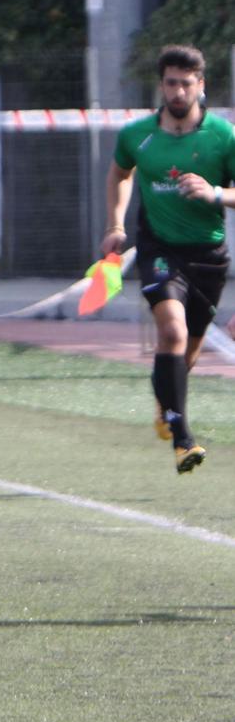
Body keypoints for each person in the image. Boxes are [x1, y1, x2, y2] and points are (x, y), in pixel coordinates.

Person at [104, 45, 235, 474]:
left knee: (189, 350)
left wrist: (215, 193)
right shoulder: (136, 134)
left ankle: (167, 405)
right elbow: (120, 173)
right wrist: (116, 224)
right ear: (161, 85)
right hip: (159, 250)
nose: (178, 90)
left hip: (209, 254)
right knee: (172, 331)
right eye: (170, 82)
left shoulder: (222, 136)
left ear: (201, 85)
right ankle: (184, 441)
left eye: (186, 82)